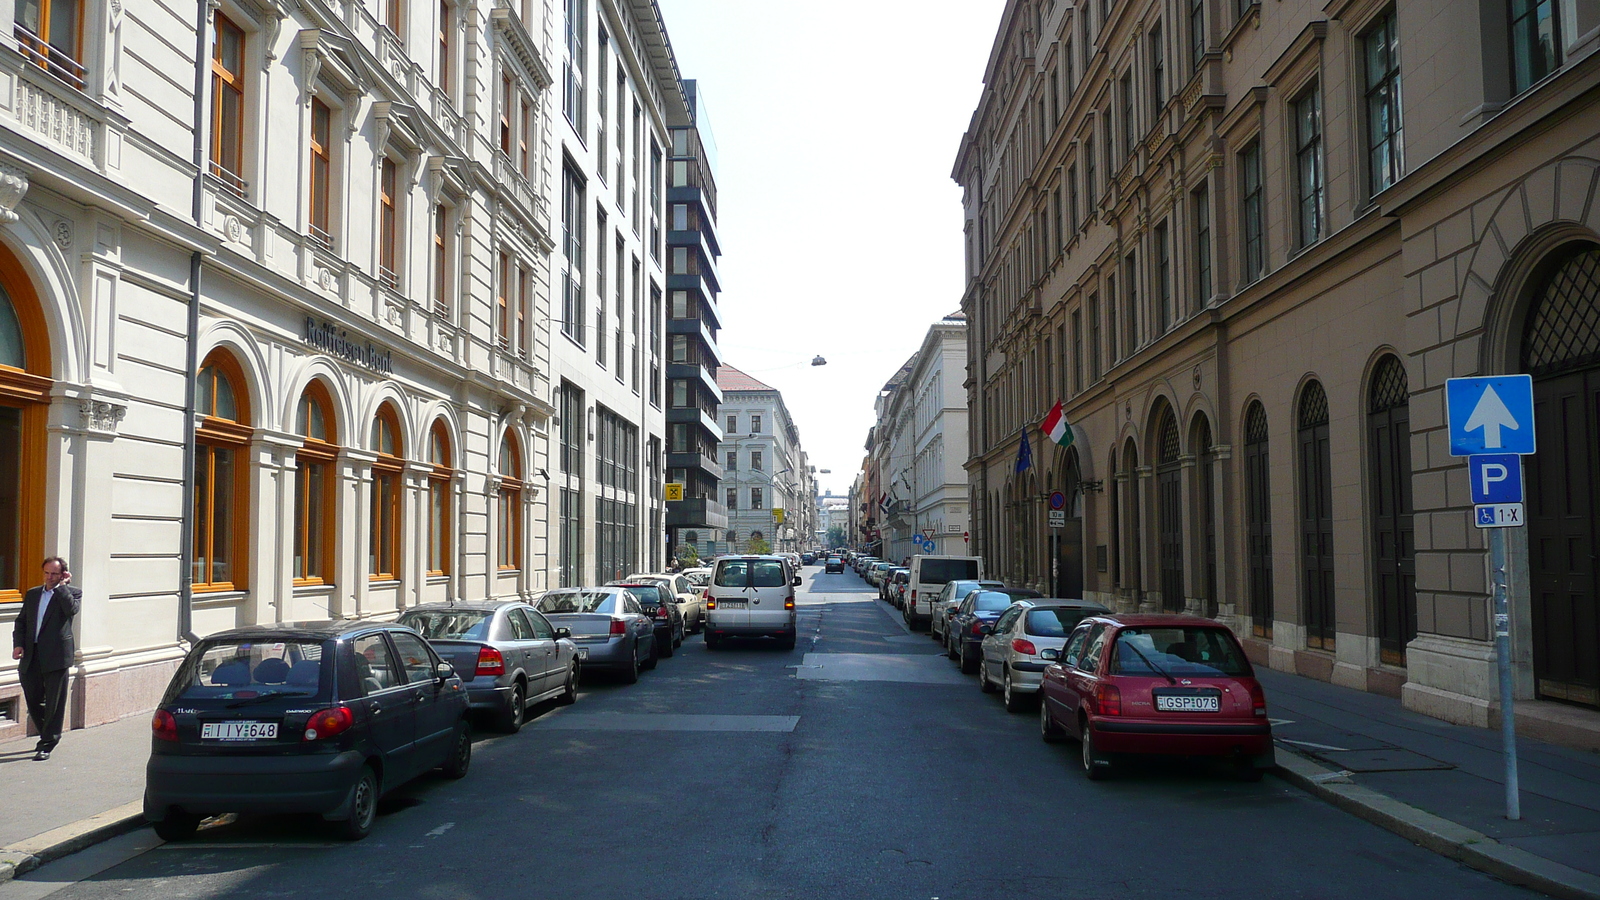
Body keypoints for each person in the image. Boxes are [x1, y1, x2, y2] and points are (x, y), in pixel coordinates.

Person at [12, 557, 80, 761]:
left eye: (55, 574)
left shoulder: (71, 593)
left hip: (57, 655)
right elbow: (21, 621)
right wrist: (18, 644)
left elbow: (71, 610)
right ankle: (47, 732)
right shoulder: (33, 594)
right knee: (32, 696)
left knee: (54, 701)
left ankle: (47, 743)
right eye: (47, 573)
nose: (50, 577)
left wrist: (62, 587)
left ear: (63, 575)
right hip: (32, 654)